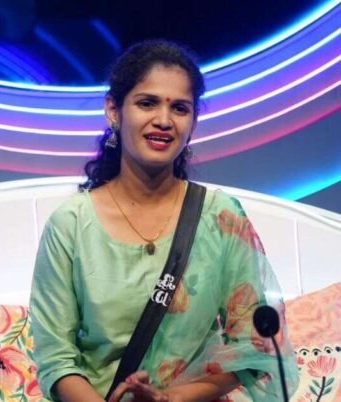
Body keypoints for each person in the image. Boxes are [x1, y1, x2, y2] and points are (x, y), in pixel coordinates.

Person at [29, 40, 298, 402]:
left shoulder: (221, 217)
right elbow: (56, 360)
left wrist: (174, 399)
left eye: (180, 108)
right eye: (147, 103)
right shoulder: (70, 224)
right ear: (113, 110)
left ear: (193, 122)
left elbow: (252, 346)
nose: (164, 120)